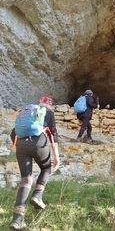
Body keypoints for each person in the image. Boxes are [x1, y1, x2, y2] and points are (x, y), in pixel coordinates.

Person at [9, 96, 60, 230]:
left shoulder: (26, 112)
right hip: (38, 142)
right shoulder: (48, 113)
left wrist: (20, 146)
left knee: (25, 181)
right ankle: (37, 195)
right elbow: (53, 134)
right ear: (50, 105)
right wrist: (56, 156)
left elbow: (13, 133)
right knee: (46, 168)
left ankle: (17, 219)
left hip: (21, 144)